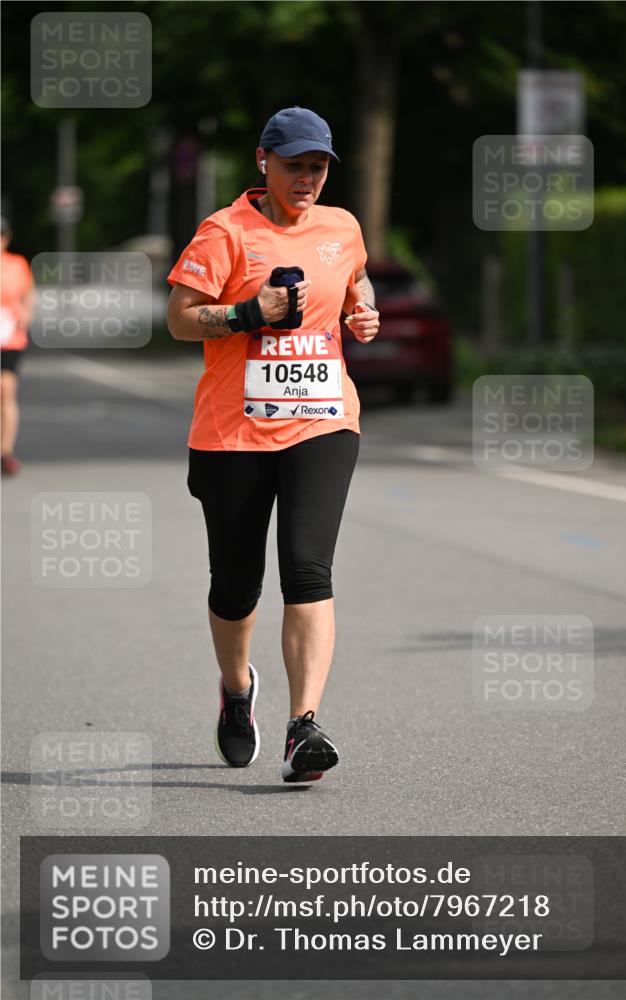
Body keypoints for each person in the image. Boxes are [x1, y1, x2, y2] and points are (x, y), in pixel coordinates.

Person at [167, 107, 379, 783]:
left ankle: (303, 726)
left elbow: (354, 278)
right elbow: (178, 318)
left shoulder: (341, 226)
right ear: (264, 161)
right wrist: (246, 314)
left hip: (321, 420)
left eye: (317, 167)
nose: (307, 179)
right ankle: (236, 692)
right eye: (295, 166)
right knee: (235, 584)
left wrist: (361, 309)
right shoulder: (225, 232)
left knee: (308, 569)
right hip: (233, 429)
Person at [1, 216, 34, 475]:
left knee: (6, 390)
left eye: (2, 234)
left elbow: (28, 294)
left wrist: (26, 313)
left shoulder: (17, 264)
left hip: (9, 337)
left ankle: (6, 451)